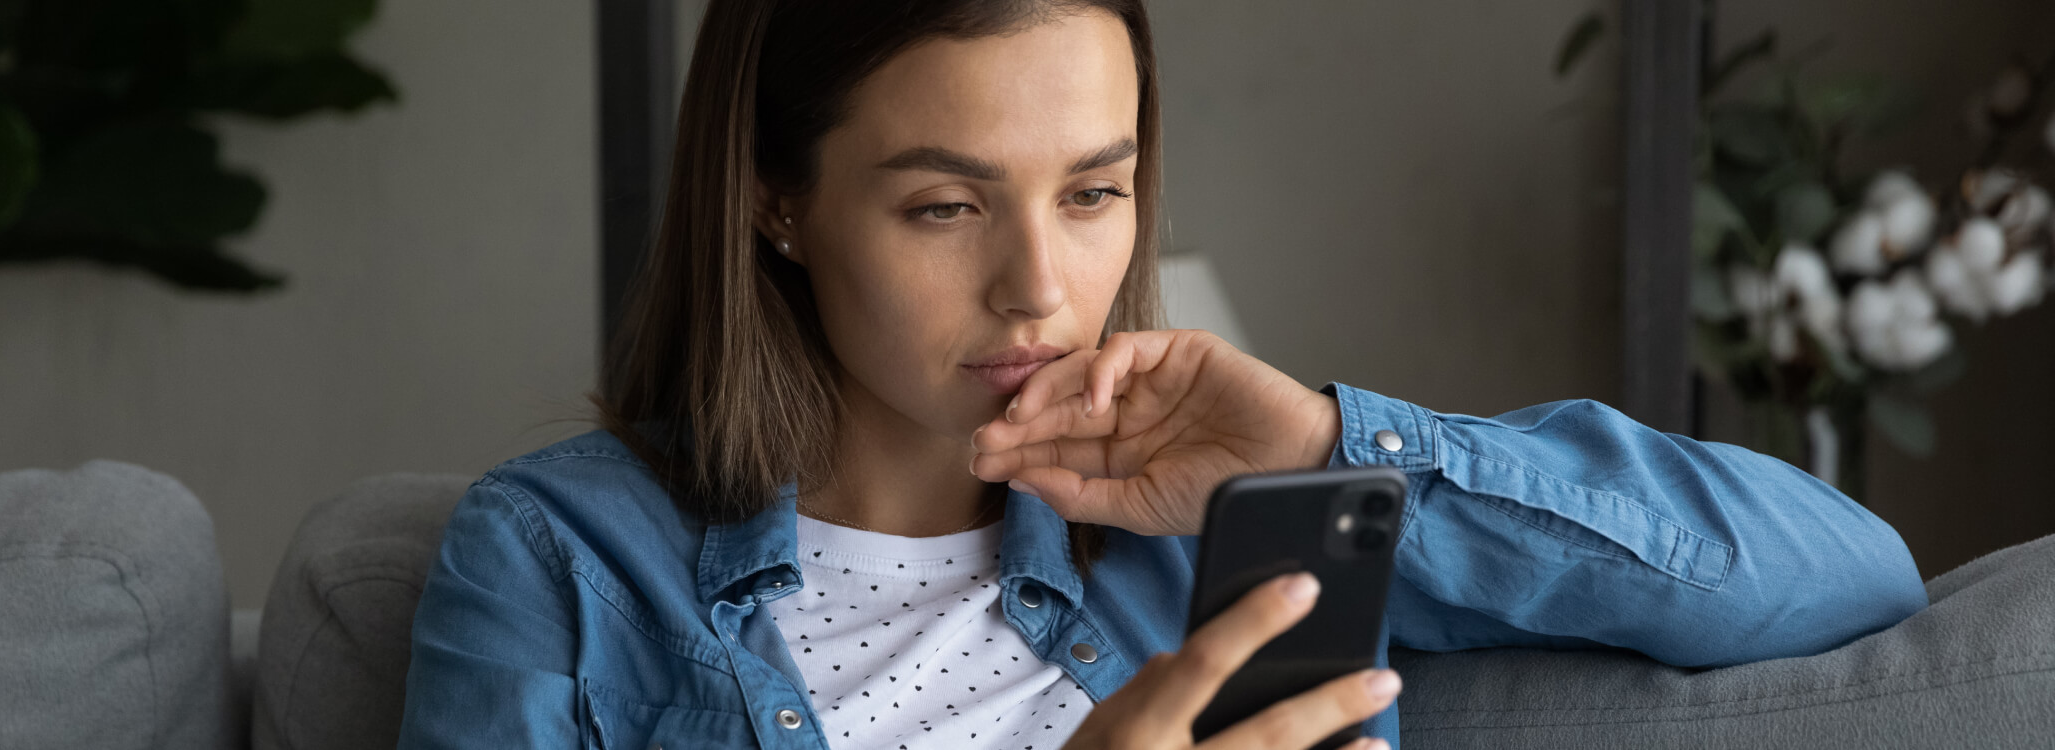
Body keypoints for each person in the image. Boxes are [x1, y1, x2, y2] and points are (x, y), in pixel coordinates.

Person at [396, 1, 1929, 748]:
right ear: (773, 199)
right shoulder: (563, 562)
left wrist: (1334, 439)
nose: (1043, 291)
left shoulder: (1226, 535)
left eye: (1093, 191)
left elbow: (1843, 574)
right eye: (945, 206)